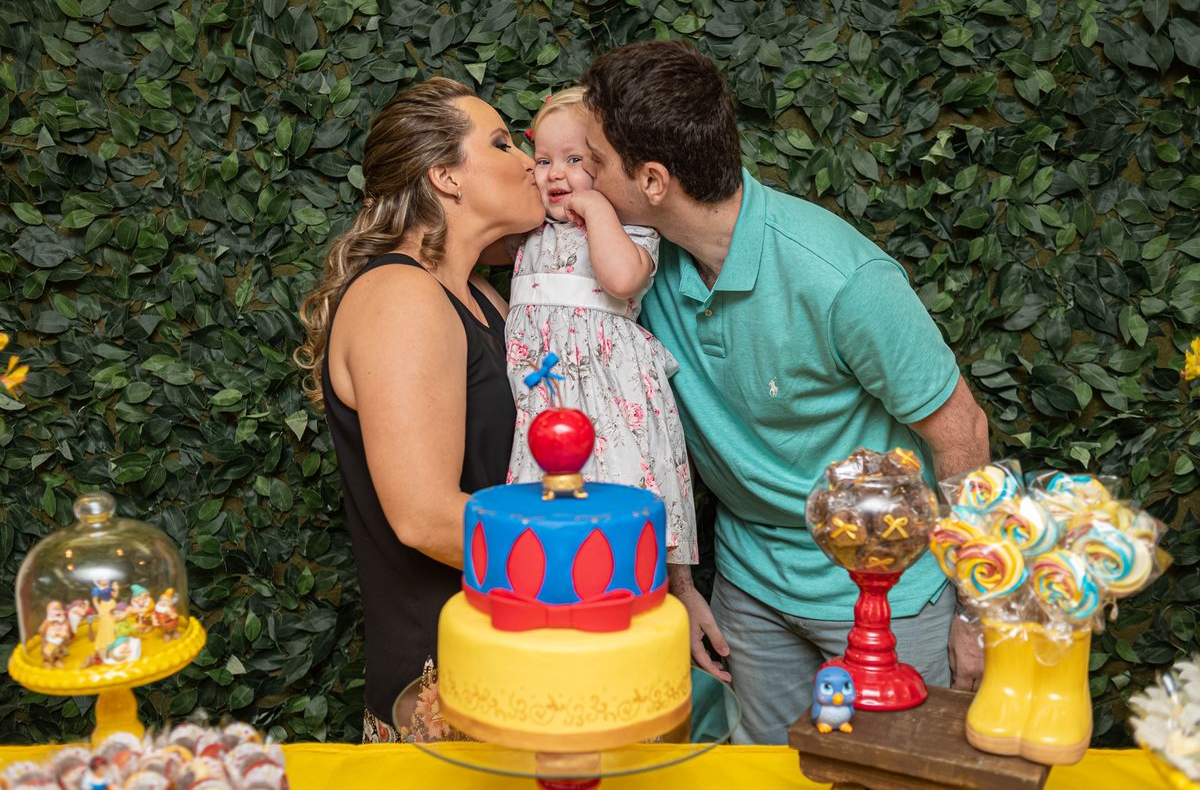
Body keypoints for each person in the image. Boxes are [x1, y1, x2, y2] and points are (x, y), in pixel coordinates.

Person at [577, 40, 991, 745]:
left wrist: (978, 614)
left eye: (592, 160)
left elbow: (964, 434)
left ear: (651, 179)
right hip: (749, 590)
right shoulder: (632, 265)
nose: (576, 173)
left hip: (888, 594)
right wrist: (681, 587)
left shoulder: (841, 278)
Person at [296, 77, 544, 742]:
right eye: (500, 143)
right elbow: (423, 514)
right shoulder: (402, 297)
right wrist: (590, 561)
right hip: (444, 688)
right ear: (445, 176)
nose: (530, 161)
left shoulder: (482, 296)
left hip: (521, 658)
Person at [495, 88, 696, 563]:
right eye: (543, 160)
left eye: (575, 159)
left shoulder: (630, 230)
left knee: (618, 488)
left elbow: (622, 279)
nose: (556, 173)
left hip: (607, 389)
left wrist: (596, 208)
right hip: (543, 389)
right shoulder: (529, 229)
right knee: (545, 498)